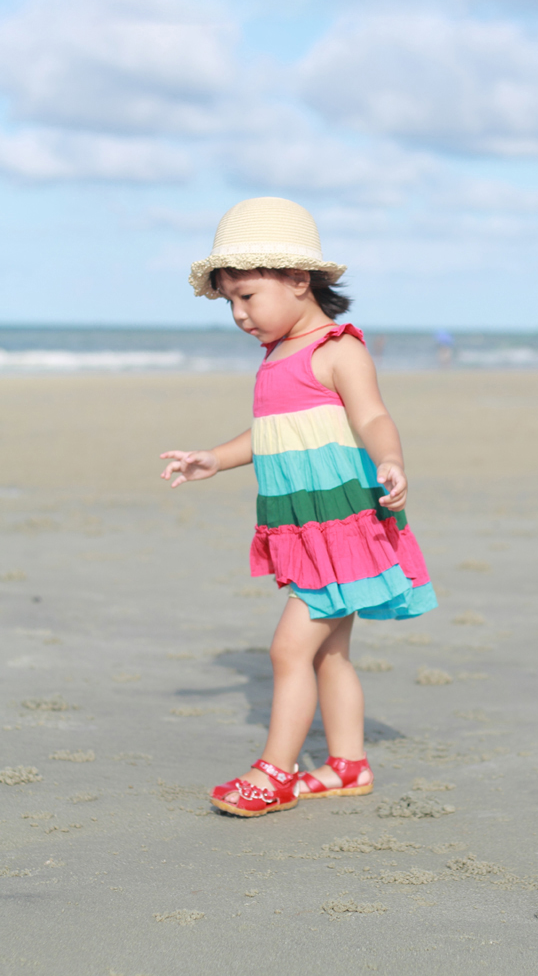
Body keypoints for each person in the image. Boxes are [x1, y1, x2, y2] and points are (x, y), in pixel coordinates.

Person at [160, 197, 437, 818]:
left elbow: (372, 415)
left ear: (297, 280)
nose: (238, 314)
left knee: (289, 650)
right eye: (229, 301)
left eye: (247, 297)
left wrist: (390, 458)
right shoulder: (277, 357)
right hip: (303, 524)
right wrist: (213, 458)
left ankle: (275, 772)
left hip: (341, 523)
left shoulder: (336, 349)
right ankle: (347, 764)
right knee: (330, 651)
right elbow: (271, 435)